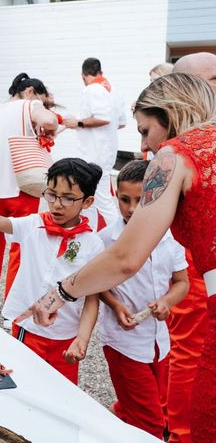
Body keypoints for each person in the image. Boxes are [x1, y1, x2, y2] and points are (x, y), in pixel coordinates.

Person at [22, 73, 216, 443]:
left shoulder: (174, 155)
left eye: (145, 131)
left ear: (171, 115)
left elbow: (125, 258)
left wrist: (59, 293)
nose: (144, 146)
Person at [0, 158, 104, 384]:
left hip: (65, 335)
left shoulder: (93, 244)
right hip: (28, 329)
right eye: (51, 194)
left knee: (63, 391)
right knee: (23, 384)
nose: (57, 204)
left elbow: (92, 297)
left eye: (68, 198)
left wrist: (82, 337)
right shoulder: (34, 225)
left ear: (87, 202)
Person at [98, 160, 188, 438]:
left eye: (140, 200)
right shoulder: (106, 240)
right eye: (124, 200)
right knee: (150, 423)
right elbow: (97, 284)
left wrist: (167, 302)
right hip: (123, 341)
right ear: (115, 195)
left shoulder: (170, 236)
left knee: (153, 404)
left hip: (159, 340)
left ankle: (116, 420)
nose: (131, 208)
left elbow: (181, 283)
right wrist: (114, 304)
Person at [159, 52, 216, 443]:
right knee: (189, 348)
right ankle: (178, 430)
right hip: (195, 261)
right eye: (212, 80)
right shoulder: (173, 148)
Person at [0, 73, 58, 315]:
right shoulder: (30, 105)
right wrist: (45, 120)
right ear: (31, 92)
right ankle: (11, 309)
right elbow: (51, 120)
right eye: (41, 99)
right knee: (20, 247)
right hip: (22, 186)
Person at [62, 57, 121, 224]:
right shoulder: (113, 91)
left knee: (102, 200)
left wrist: (79, 123)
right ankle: (90, 235)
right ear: (100, 72)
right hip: (106, 151)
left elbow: (104, 118)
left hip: (94, 153)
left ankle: (118, 236)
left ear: (83, 76)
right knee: (91, 198)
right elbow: (120, 122)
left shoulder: (92, 89)